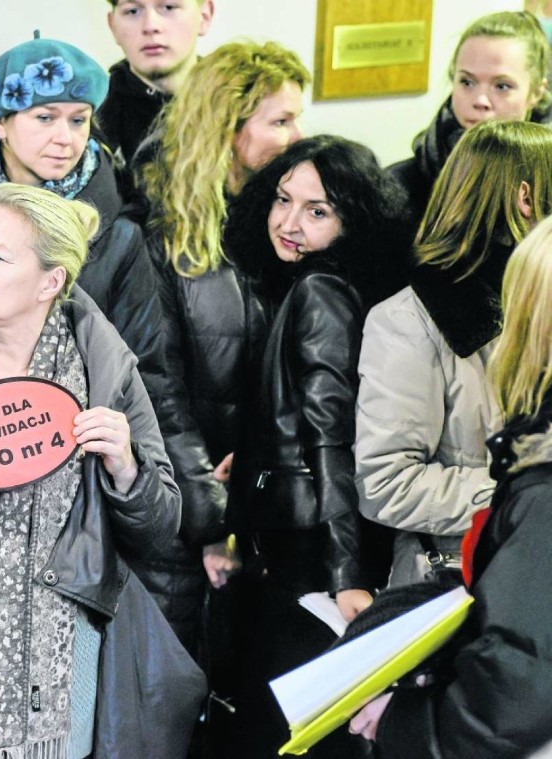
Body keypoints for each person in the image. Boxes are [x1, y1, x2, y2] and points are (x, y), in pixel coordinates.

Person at [0, 182, 183, 758]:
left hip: (63, 647)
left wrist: (126, 467)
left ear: (50, 282)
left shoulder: (106, 372)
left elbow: (161, 530)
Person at [221, 135, 409, 759]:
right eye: (283, 199)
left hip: (311, 554)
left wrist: (345, 572)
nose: (289, 222)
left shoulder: (320, 292)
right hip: (307, 543)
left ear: (352, 220)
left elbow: (331, 437)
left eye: (317, 210)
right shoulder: (324, 284)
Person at [349, 210, 552, 759]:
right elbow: (387, 478)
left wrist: (404, 724)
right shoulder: (407, 320)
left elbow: (518, 685)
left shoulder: (544, 492)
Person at [131, 40, 309, 664]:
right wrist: (213, 520)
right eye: (281, 120)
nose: (297, 135)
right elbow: (159, 390)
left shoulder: (292, 223)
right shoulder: (163, 236)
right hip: (191, 518)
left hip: (276, 506)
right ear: (228, 127)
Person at [0, 34, 168, 419]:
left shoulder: (119, 236)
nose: (65, 138)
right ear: (1, 122)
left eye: (79, 120)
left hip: (67, 450)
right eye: (45, 117)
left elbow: (143, 374)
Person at [355, 119, 552, 589]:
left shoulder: (538, 301)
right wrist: (520, 496)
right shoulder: (408, 320)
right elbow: (386, 484)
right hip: (457, 581)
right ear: (526, 200)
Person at [388, 10, 551, 235]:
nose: (480, 100)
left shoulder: (546, 186)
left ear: (536, 93)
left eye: (502, 86)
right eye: (467, 82)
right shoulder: (398, 188)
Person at [99, 0, 215, 166]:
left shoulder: (244, 104)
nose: (150, 26)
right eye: (132, 11)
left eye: (169, 7)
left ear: (204, 16)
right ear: (112, 25)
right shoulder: (90, 118)